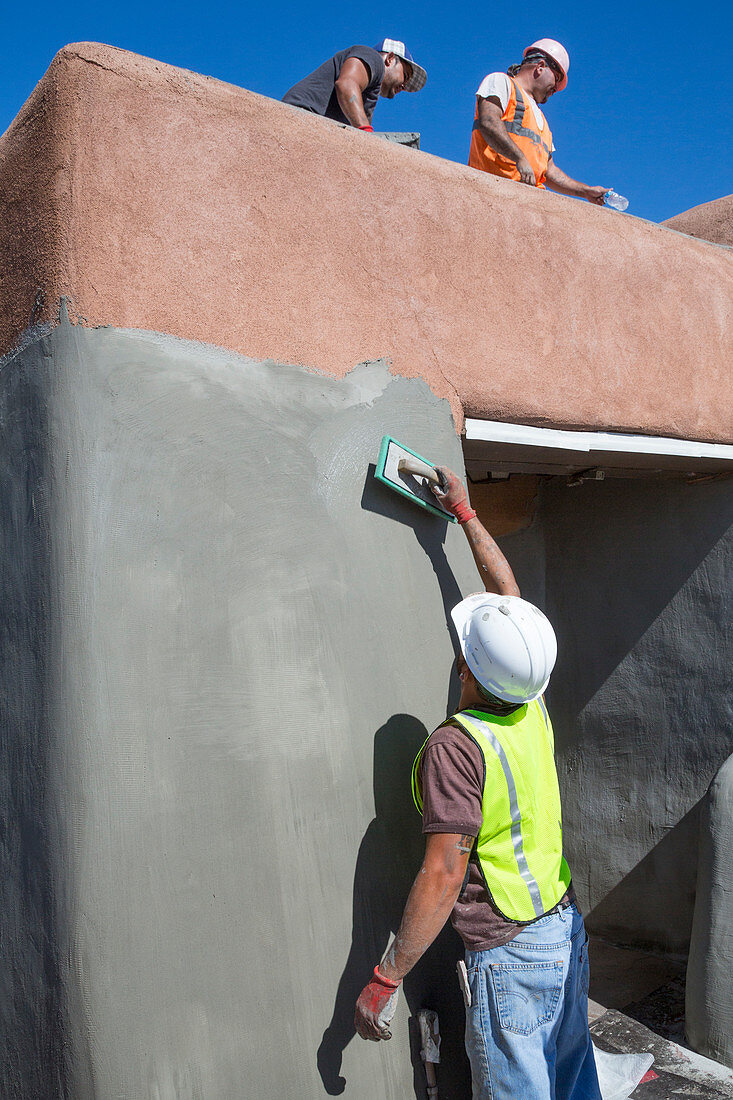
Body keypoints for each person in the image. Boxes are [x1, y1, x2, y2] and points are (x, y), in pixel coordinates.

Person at [354, 468, 602, 1100]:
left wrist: (385, 978)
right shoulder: (531, 703)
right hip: (563, 928)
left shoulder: (456, 747)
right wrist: (463, 514)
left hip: (512, 957)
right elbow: (507, 592)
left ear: (464, 664)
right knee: (574, 1085)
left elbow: (441, 875)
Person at [469, 39, 609, 202]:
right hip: (491, 193)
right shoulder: (501, 82)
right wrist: (519, 158)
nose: (556, 89)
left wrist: (585, 191)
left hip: (527, 203)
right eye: (556, 79)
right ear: (540, 67)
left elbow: (549, 171)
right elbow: (489, 122)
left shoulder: (542, 122)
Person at [282, 39, 426, 132]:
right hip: (298, 118)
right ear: (390, 59)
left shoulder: (366, 99)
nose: (404, 86)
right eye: (405, 76)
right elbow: (346, 84)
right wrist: (365, 133)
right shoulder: (372, 58)